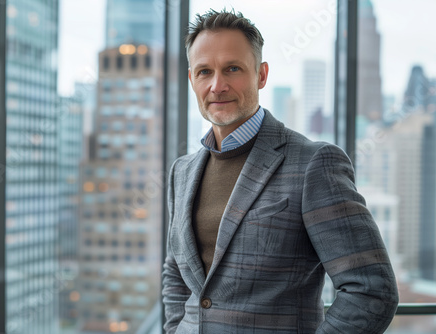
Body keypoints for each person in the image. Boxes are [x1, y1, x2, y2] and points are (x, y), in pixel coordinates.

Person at [162, 8, 399, 334]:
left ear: (261, 75)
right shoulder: (182, 172)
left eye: (232, 68)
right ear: (192, 80)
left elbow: (371, 289)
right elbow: (176, 274)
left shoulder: (314, 164)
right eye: (204, 71)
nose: (217, 86)